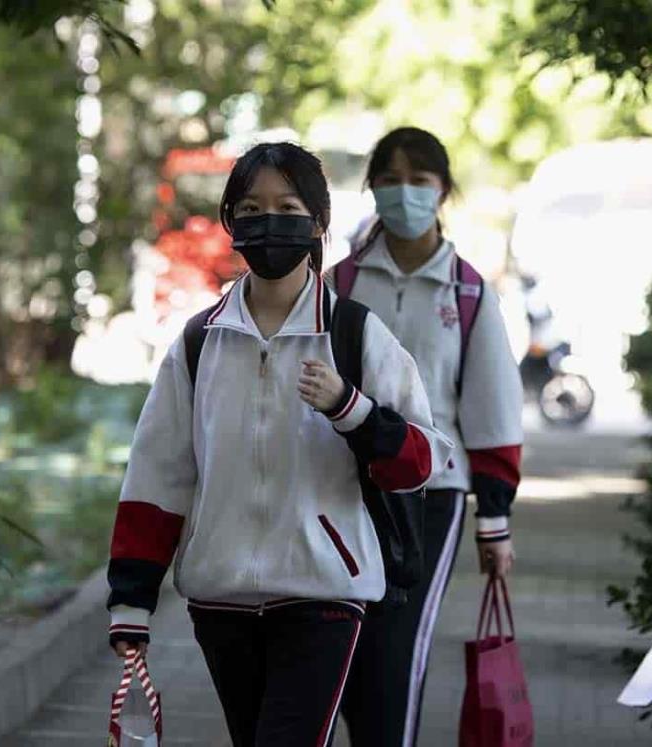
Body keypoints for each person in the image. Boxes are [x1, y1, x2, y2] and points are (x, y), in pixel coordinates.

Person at [105, 141, 452, 747]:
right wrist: (131, 601)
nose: (268, 221)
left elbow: (420, 464)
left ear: (318, 224)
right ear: (230, 223)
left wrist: (353, 409)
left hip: (323, 594)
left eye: (288, 206)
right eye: (250, 207)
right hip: (220, 602)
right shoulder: (198, 343)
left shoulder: (355, 334)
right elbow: (158, 477)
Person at [327, 127, 524, 746]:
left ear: (443, 191)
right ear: (370, 190)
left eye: (420, 180)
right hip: (340, 487)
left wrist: (493, 523)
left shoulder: (468, 292)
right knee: (341, 650)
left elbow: (493, 411)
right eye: (389, 179)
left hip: (431, 494)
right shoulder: (340, 284)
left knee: (396, 651)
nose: (404, 193)